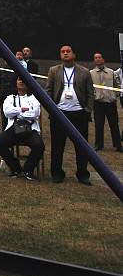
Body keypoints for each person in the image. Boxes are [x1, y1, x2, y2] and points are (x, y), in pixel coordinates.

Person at [45, 45, 93, 184]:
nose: (65, 54)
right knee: (57, 145)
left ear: (74, 54)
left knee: (82, 147)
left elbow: (90, 94)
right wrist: (52, 109)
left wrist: (87, 110)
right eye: (63, 52)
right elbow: (48, 91)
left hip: (79, 113)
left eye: (68, 52)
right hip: (59, 113)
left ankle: (83, 174)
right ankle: (57, 173)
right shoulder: (54, 71)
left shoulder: (84, 72)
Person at [0, 76, 46, 179]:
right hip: (14, 129)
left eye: (24, 80)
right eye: (19, 80)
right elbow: (7, 112)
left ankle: (28, 169)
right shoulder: (10, 98)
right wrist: (23, 110)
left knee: (39, 146)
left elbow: (34, 114)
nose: (21, 82)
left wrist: (17, 112)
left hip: (30, 129)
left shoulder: (34, 98)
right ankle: (15, 167)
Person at [90, 52, 122, 152]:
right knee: (99, 124)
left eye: (99, 57)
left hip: (110, 102)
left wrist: (114, 96)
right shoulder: (91, 73)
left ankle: (118, 145)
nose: (98, 59)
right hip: (98, 102)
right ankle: (98, 145)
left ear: (103, 60)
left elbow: (118, 85)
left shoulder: (111, 72)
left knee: (114, 124)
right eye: (96, 58)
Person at [0, 51, 25, 134]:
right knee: (4, 114)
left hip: (13, 94)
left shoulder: (16, 70)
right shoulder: (1, 70)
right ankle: (4, 131)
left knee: (13, 113)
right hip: (3, 94)